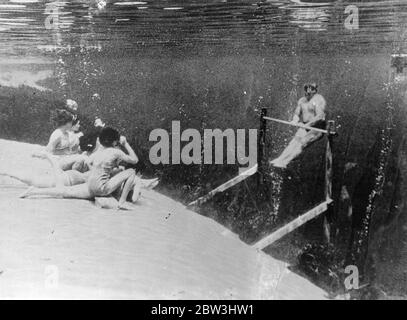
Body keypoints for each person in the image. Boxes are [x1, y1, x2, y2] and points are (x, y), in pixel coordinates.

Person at [20, 127, 141, 210]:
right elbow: (135, 160)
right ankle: (122, 203)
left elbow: (90, 163)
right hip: (101, 188)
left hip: (90, 185)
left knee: (63, 191)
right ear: (115, 142)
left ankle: (33, 191)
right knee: (131, 171)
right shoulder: (116, 152)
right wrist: (125, 144)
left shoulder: (97, 153)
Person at [270, 82, 327, 168]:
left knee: (302, 143)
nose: (308, 91)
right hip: (305, 126)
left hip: (317, 128)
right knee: (294, 142)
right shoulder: (302, 100)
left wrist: (308, 125)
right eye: (306, 89)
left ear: (314, 91)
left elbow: (320, 116)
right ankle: (280, 159)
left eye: (310, 89)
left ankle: (285, 162)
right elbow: (297, 113)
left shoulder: (318, 99)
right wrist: (294, 120)